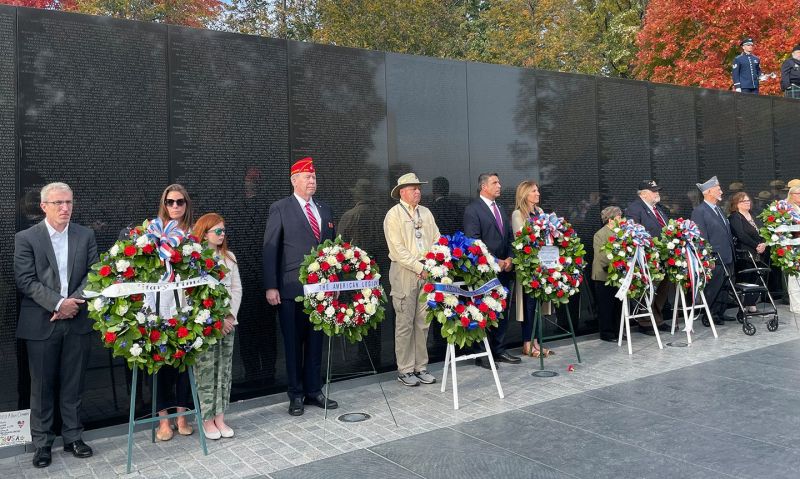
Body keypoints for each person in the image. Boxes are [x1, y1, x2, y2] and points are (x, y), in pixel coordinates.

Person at [14, 182, 98, 468]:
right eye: (59, 203)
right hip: (40, 323)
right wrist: (58, 304)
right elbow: (25, 280)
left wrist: (71, 303)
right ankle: (42, 444)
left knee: (73, 383)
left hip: (77, 320)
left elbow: (94, 274)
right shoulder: (26, 238)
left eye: (69, 202)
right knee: (41, 386)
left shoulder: (85, 235)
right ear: (43, 207)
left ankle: (73, 437)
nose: (65, 208)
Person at [263, 157, 338, 416]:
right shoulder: (281, 208)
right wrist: (271, 286)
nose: (312, 181)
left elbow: (333, 250)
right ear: (294, 180)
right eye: (307, 177)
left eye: (314, 177)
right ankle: (295, 393)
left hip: (320, 291)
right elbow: (271, 248)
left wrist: (334, 282)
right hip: (291, 289)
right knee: (293, 344)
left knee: (316, 341)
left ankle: (314, 389)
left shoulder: (325, 209)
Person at [383, 173, 440, 386]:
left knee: (423, 321)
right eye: (413, 188)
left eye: (419, 187)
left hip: (426, 271)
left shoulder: (426, 213)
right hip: (404, 272)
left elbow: (437, 239)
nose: (418, 191)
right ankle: (405, 369)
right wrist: (419, 267)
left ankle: (420, 366)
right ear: (402, 192)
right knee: (405, 322)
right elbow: (397, 250)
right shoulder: (394, 215)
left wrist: (431, 264)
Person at [192, 213, 242, 440]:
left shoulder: (229, 257)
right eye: (217, 231)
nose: (222, 235)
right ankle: (206, 418)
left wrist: (229, 316)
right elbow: (193, 295)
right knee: (206, 372)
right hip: (206, 326)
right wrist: (216, 319)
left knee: (224, 370)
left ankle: (220, 416)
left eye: (224, 231)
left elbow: (236, 289)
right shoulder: (194, 259)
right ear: (205, 232)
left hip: (228, 324)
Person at [463, 172, 520, 368]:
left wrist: (510, 258)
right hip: (485, 271)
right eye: (495, 182)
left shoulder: (501, 208)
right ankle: (482, 354)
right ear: (483, 187)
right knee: (483, 311)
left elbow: (510, 236)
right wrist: (496, 261)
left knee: (502, 310)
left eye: (499, 182)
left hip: (505, 269)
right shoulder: (473, 210)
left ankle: (499, 349)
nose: (499, 185)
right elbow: (473, 242)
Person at [153, 184, 195, 441]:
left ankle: (182, 415)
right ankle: (163, 422)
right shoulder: (153, 232)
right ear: (164, 204)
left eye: (180, 202)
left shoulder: (194, 234)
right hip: (158, 307)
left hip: (186, 308)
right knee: (159, 367)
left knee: (183, 365)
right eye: (171, 202)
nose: (176, 206)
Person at [623, 180, 672, 335]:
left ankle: (657, 319)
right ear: (643, 193)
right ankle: (644, 322)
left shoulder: (659, 209)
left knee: (662, 289)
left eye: (657, 190)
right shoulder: (635, 209)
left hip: (664, 255)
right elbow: (635, 231)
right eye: (653, 191)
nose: (657, 193)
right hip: (647, 257)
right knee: (648, 289)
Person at [511, 180, 552, 357]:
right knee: (528, 305)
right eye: (534, 191)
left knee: (538, 305)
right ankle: (527, 343)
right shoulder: (518, 214)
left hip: (543, 264)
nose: (538, 194)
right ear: (525, 194)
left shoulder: (541, 212)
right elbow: (521, 239)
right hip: (528, 268)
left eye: (538, 191)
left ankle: (536, 342)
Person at [691, 176, 734, 326]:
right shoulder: (700, 211)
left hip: (727, 255)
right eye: (718, 189)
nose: (721, 192)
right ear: (709, 192)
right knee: (714, 286)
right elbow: (701, 237)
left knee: (724, 286)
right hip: (715, 257)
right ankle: (710, 314)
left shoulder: (719, 210)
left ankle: (720, 312)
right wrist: (707, 258)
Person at [727, 192, 766, 312]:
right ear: (736, 204)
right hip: (746, 253)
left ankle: (751, 303)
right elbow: (741, 235)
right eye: (744, 201)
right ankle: (743, 305)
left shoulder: (754, 214)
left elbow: (763, 230)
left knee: (757, 277)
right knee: (746, 278)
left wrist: (764, 243)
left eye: (748, 200)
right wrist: (756, 246)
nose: (747, 203)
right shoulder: (735, 217)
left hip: (760, 251)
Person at [592, 206, 623, 342]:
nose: (621, 219)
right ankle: (607, 333)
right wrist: (619, 260)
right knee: (606, 306)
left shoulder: (621, 232)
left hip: (618, 275)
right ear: (611, 220)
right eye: (619, 217)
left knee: (618, 306)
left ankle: (619, 331)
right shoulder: (600, 234)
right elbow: (602, 256)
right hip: (603, 276)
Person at [785, 185, 800, 313]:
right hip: (794, 246)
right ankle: (796, 306)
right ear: (792, 194)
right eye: (799, 193)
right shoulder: (788, 209)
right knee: (795, 277)